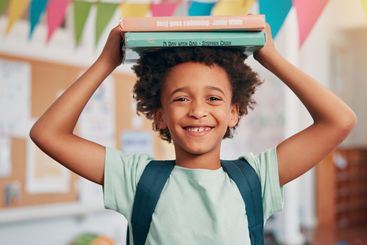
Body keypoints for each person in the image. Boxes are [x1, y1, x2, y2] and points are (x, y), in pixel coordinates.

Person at [30, 23, 357, 245]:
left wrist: (269, 56)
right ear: (160, 115)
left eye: (213, 98)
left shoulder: (258, 177)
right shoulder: (135, 178)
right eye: (181, 98)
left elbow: (339, 120)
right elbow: (48, 133)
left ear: (233, 112)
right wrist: (105, 62)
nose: (198, 110)